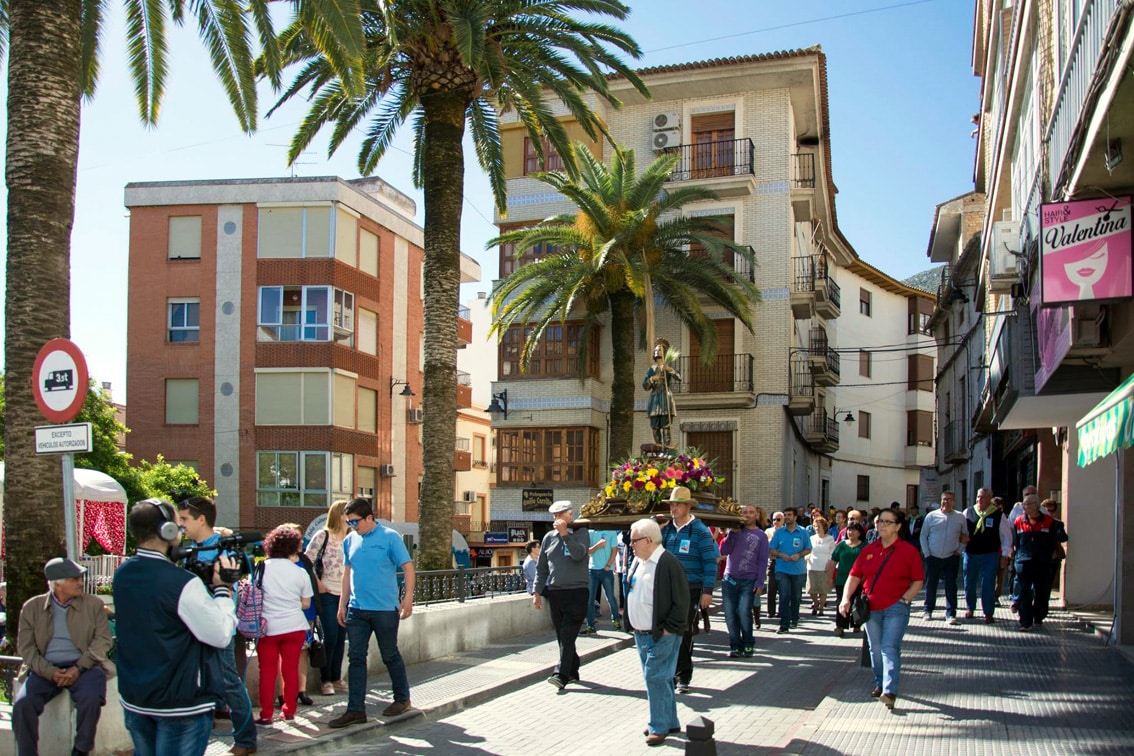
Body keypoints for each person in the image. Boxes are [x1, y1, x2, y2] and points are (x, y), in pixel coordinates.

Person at [114, 499, 239, 756]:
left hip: (135, 698)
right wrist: (223, 592)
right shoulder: (183, 583)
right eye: (177, 523)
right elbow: (220, 634)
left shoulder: (122, 573)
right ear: (167, 530)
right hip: (179, 702)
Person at [176, 496, 257, 756]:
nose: (181, 525)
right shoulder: (188, 550)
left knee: (229, 682)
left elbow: (229, 585)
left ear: (201, 519)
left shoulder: (224, 549)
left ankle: (246, 740)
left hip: (217, 627)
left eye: (185, 519)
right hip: (190, 627)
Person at [14, 557, 113, 756]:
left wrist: (80, 667)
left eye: (80, 577)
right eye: (74, 578)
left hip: (85, 666)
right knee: (23, 705)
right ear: (57, 583)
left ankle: (81, 749)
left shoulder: (93, 605)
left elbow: (103, 640)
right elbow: (26, 649)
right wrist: (50, 672)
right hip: (45, 668)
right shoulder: (32, 607)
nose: (80, 582)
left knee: (91, 697)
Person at [330, 498, 415, 728]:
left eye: (355, 521)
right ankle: (356, 710)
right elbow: (347, 573)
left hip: (385, 610)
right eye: (349, 522)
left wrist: (407, 598)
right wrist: (342, 604)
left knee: (390, 655)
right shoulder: (350, 540)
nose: (352, 526)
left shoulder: (390, 537)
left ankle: (402, 698)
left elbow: (407, 567)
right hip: (357, 610)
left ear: (369, 518)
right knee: (356, 658)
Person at [838, 509, 924, 711]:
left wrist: (905, 599)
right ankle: (879, 681)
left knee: (889, 647)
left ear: (898, 526)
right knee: (875, 649)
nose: (882, 526)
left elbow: (918, 580)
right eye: (879, 522)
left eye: (887, 522)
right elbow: (854, 575)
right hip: (871, 608)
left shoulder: (908, 551)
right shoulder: (868, 550)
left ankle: (889, 690)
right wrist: (845, 598)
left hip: (896, 608)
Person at [626, 518, 690, 748]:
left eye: (634, 540)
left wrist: (667, 629)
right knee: (661, 679)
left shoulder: (668, 563)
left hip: (662, 635)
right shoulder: (638, 561)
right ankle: (669, 721)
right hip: (641, 633)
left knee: (655, 677)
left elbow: (682, 602)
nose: (630, 544)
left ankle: (658, 726)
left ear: (649, 540)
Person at [660, 486, 719, 694]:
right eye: (672, 504)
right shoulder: (665, 530)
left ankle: (683, 676)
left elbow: (710, 562)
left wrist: (707, 591)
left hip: (690, 588)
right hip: (667, 589)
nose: (673, 508)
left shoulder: (700, 531)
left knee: (683, 631)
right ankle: (669, 673)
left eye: (677, 504)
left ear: (687, 506)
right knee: (667, 632)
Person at [254, 525, 313, 724]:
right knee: (290, 669)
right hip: (295, 626)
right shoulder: (300, 573)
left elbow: (254, 595)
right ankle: (289, 710)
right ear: (293, 547)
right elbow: (306, 603)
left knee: (268, 672)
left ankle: (266, 714)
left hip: (268, 627)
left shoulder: (261, 568)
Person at [532, 500, 591, 689]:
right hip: (556, 592)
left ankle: (561, 675)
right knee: (562, 636)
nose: (557, 519)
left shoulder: (581, 533)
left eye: (561, 515)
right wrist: (537, 591)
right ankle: (572, 670)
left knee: (567, 635)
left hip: (577, 592)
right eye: (555, 516)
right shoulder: (549, 537)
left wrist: (566, 534)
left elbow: (578, 554)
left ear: (570, 515)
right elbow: (542, 567)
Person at [304, 500, 349, 696]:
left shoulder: (351, 538)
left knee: (341, 637)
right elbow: (307, 561)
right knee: (330, 635)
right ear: (340, 514)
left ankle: (337, 676)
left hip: (345, 595)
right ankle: (326, 679)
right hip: (328, 594)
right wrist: (317, 583)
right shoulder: (323, 536)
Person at [1012, 494, 1068, 632]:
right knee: (1025, 591)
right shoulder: (1019, 521)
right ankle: (1025, 621)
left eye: (1027, 504)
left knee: (1042, 591)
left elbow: (1062, 538)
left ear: (1036, 506)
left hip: (1043, 562)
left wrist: (1059, 529)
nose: (1024, 507)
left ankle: (1039, 616)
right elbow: (1015, 541)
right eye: (1024, 504)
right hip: (1024, 562)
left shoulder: (1050, 522)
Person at [719, 504, 769, 658]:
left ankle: (748, 643)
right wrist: (732, 534)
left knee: (743, 612)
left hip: (749, 579)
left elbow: (762, 560)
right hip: (729, 579)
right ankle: (735, 646)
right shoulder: (734, 532)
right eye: (744, 512)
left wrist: (760, 582)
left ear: (757, 515)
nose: (747, 515)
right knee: (729, 614)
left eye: (751, 512)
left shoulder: (761, 535)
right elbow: (724, 551)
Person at [962, 489, 1012, 624]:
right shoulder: (968, 512)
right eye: (978, 496)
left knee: (988, 584)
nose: (979, 499)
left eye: (983, 497)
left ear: (990, 498)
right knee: (969, 583)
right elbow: (961, 531)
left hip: (990, 554)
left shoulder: (998, 515)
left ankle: (988, 612)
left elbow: (1006, 536)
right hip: (971, 554)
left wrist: (1005, 555)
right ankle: (970, 607)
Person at [919, 491, 969, 623]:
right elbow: (923, 535)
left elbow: (965, 536)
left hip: (951, 556)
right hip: (933, 556)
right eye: (944, 499)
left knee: (951, 585)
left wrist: (959, 551)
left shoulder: (960, 517)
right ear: (941, 501)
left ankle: (951, 613)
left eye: (950, 499)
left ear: (954, 502)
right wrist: (927, 553)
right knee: (931, 584)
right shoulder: (931, 516)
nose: (946, 502)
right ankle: (928, 610)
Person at [768, 508, 811, 634]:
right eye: (785, 515)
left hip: (798, 570)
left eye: (789, 515)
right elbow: (772, 549)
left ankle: (794, 619)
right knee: (784, 596)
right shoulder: (779, 532)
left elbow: (808, 548)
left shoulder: (802, 532)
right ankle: (784, 624)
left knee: (796, 596)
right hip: (782, 569)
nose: (786, 517)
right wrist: (781, 555)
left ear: (795, 517)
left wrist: (799, 554)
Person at [828, 522, 866, 637]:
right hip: (842, 579)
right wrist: (830, 578)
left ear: (859, 533)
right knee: (841, 601)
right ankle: (840, 626)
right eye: (849, 530)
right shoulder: (841, 545)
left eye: (854, 530)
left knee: (856, 602)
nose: (850, 532)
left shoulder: (864, 546)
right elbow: (833, 562)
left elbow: (869, 564)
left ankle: (856, 624)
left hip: (859, 580)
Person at [643, 338, 681, 447]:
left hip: (665, 397)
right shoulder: (651, 369)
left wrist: (669, 370)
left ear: (664, 352)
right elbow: (645, 386)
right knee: (655, 425)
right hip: (655, 398)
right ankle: (658, 446)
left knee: (666, 424)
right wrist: (652, 379)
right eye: (655, 349)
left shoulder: (667, 367)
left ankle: (667, 447)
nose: (656, 351)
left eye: (659, 349)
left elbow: (679, 378)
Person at [582, 528, 620, 633]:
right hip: (592, 570)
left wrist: (608, 565)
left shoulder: (611, 532)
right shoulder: (590, 532)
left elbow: (614, 550)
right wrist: (597, 545)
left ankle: (616, 620)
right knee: (590, 599)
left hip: (606, 570)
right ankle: (590, 625)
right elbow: (587, 551)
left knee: (610, 597)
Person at [807, 517, 835, 616]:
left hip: (824, 565)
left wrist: (829, 563)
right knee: (812, 589)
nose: (817, 528)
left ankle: (821, 608)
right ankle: (815, 603)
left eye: (819, 526)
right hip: (812, 565)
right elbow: (808, 550)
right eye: (815, 526)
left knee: (823, 589)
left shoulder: (830, 539)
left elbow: (832, 552)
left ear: (824, 527)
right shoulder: (811, 538)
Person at [764, 511, 783, 619]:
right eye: (774, 519)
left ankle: (782, 610)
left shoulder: (786, 531)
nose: (776, 522)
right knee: (771, 588)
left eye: (778, 519)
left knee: (782, 589)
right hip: (772, 561)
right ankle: (770, 611)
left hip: (783, 562)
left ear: (783, 521)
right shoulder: (768, 531)